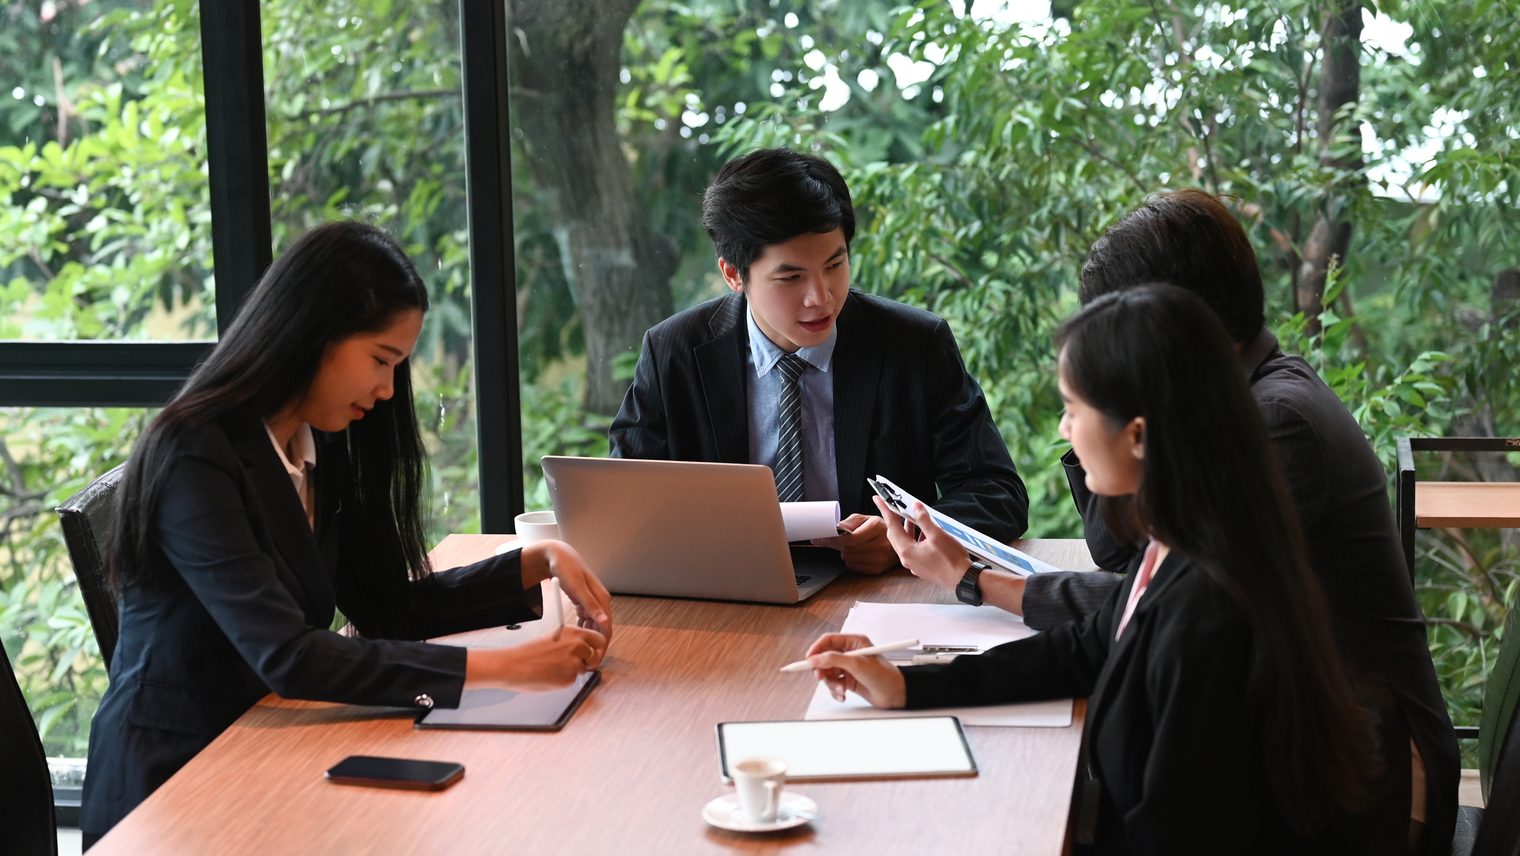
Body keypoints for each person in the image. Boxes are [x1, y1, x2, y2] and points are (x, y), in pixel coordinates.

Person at [886, 190, 1457, 854]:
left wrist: (976, 581)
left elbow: (1159, 607)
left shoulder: (1275, 423)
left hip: (1364, 782)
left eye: (1116, 328)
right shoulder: (1221, 420)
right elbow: (1128, 580)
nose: (1068, 423)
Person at [81, 222, 613, 844]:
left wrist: (531, 561)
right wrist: (503, 667)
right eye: (381, 361)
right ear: (311, 333)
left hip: (274, 747)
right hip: (180, 778)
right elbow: (289, 656)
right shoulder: (195, 453)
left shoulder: (316, 443)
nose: (388, 390)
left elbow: (385, 605)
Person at [809, 285, 1376, 853]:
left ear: (1137, 435)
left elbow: (1173, 830)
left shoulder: (1206, 609)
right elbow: (1083, 649)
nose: (1063, 430)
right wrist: (905, 683)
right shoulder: (1189, 541)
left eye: (1074, 409)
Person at [609, 147, 1028, 573]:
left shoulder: (914, 344)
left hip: (876, 602)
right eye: (791, 277)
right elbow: (622, 502)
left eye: (835, 264)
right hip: (729, 595)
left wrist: (905, 535)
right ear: (733, 274)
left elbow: (996, 492)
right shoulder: (674, 352)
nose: (821, 297)